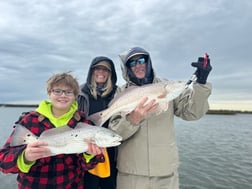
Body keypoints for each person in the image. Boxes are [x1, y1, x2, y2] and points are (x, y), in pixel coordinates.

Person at [108, 47, 212, 189]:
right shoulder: (121, 92)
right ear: (127, 68)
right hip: (130, 175)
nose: (138, 65)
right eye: (132, 63)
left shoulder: (167, 86)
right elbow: (115, 134)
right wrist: (133, 119)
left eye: (141, 60)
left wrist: (201, 83)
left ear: (148, 61)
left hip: (165, 174)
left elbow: (192, 113)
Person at [0, 72, 105, 189]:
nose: (63, 95)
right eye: (57, 91)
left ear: (75, 95)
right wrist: (25, 157)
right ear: (49, 93)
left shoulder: (83, 124)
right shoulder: (29, 121)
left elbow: (87, 166)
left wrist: (89, 155)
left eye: (68, 92)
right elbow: (3, 162)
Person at [77, 56, 118, 189]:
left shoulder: (118, 93)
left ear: (111, 73)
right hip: (87, 151)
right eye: (98, 68)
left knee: (110, 185)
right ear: (91, 71)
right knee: (89, 185)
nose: (101, 72)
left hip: (112, 151)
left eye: (105, 69)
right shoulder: (80, 93)